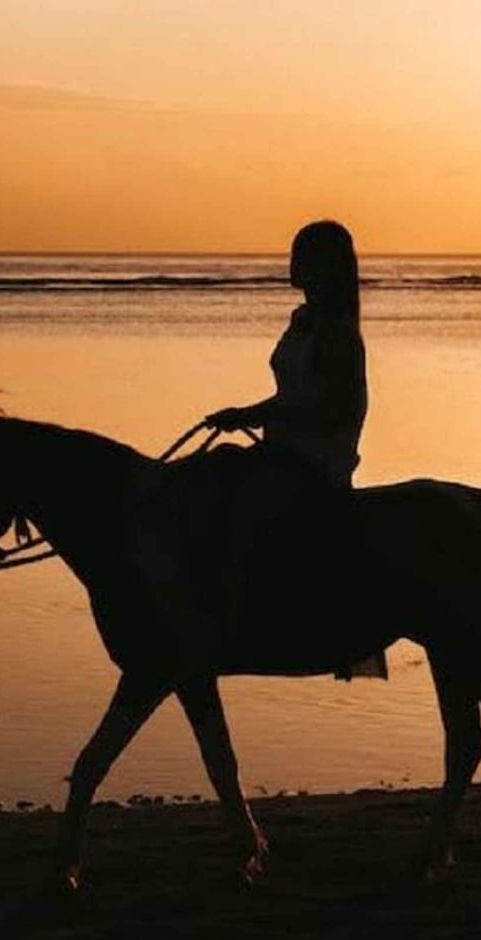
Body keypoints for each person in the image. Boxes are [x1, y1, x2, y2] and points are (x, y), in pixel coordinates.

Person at [201, 220, 385, 679]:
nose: (292, 264)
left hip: (317, 458)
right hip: (283, 450)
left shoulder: (338, 334)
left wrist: (255, 416)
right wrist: (249, 415)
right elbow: (292, 398)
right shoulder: (303, 321)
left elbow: (334, 411)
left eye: (301, 256)